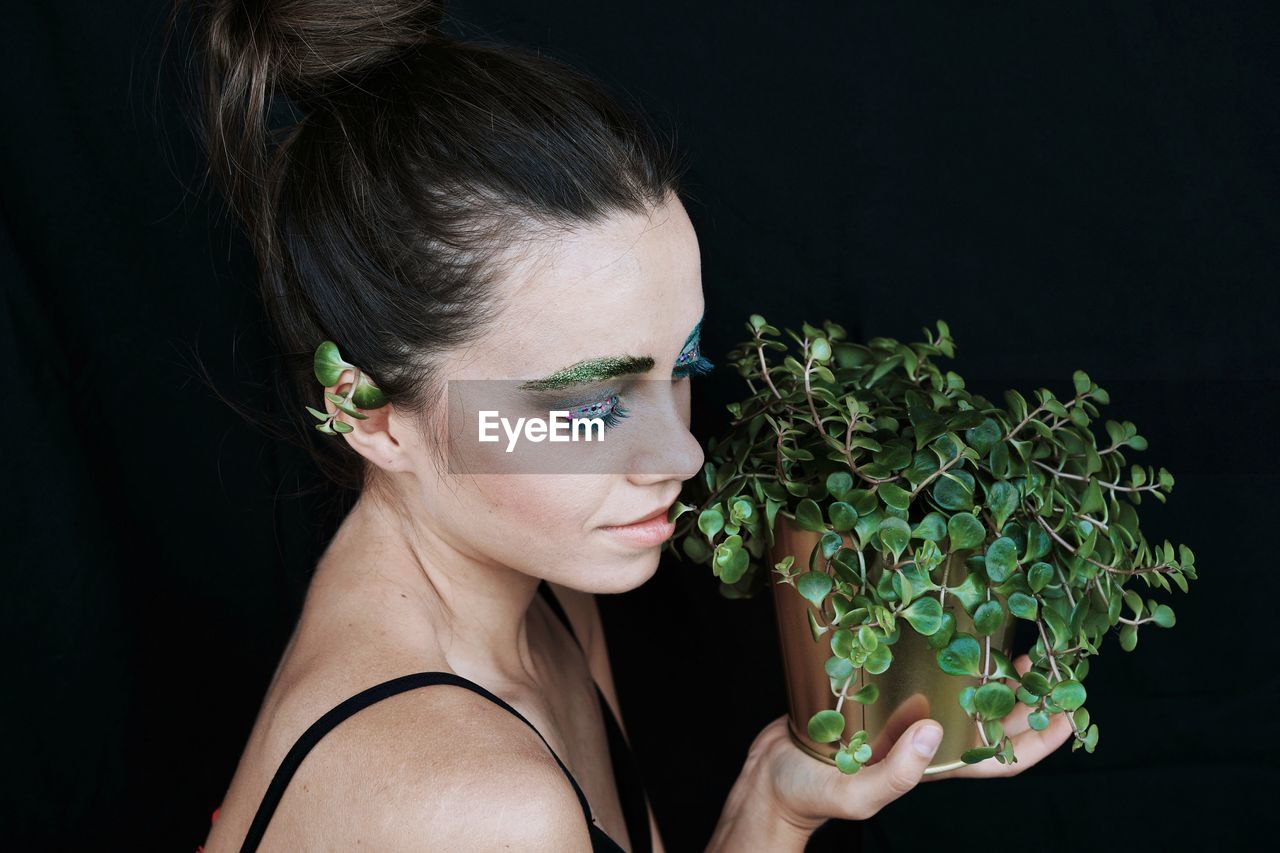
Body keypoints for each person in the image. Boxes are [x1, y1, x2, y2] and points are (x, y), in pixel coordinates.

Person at [182, 2, 1073, 850]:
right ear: (372, 415)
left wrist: (776, 802)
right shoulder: (471, 801)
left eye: (680, 365)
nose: (680, 452)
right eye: (593, 404)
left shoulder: (545, 593)